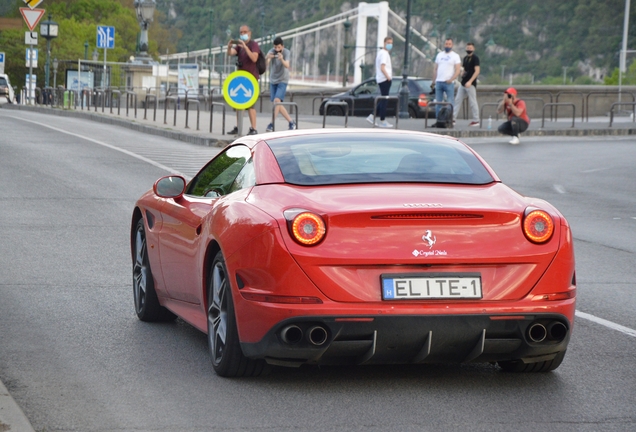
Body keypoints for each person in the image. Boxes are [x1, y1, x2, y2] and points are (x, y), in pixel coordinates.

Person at [227, 25, 261, 135]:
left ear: (250, 33)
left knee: (250, 105)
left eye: (245, 32)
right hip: (241, 78)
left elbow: (254, 58)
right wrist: (229, 47)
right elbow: (230, 53)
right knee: (238, 104)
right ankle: (238, 126)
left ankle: (254, 128)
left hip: (251, 80)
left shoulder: (253, 45)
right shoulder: (239, 46)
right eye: (241, 32)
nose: (243, 34)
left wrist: (245, 47)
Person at [265, 37, 296, 132]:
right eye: (275, 47)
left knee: (277, 100)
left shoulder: (286, 52)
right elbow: (266, 65)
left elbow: (287, 65)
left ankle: (271, 123)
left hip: (283, 80)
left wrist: (281, 59)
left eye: (279, 47)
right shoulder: (272, 51)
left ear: (282, 46)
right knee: (277, 103)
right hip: (273, 80)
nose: (277, 49)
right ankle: (291, 122)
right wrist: (268, 58)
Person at [431, 38, 461, 120]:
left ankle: (449, 119)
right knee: (438, 102)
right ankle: (438, 119)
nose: (447, 45)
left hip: (448, 82)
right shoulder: (439, 55)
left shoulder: (455, 56)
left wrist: (451, 79)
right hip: (439, 82)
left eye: (449, 44)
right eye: (446, 44)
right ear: (444, 45)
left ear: (452, 45)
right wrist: (433, 81)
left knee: (450, 102)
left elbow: (458, 70)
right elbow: (435, 68)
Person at [367, 36, 393, 128]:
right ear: (384, 43)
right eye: (388, 43)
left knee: (383, 99)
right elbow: (382, 67)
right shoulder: (384, 54)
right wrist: (388, 77)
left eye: (391, 43)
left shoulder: (381, 53)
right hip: (384, 79)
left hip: (382, 79)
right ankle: (382, 120)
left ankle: (372, 116)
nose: (390, 45)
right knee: (384, 100)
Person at [453, 42, 480, 126]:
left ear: (473, 49)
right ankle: (453, 118)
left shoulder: (475, 58)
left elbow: (477, 71)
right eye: (468, 48)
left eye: (470, 48)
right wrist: (462, 73)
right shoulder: (465, 58)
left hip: (470, 84)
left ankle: (476, 120)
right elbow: (465, 69)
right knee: (458, 100)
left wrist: (470, 81)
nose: (469, 49)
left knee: (472, 101)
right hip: (463, 83)